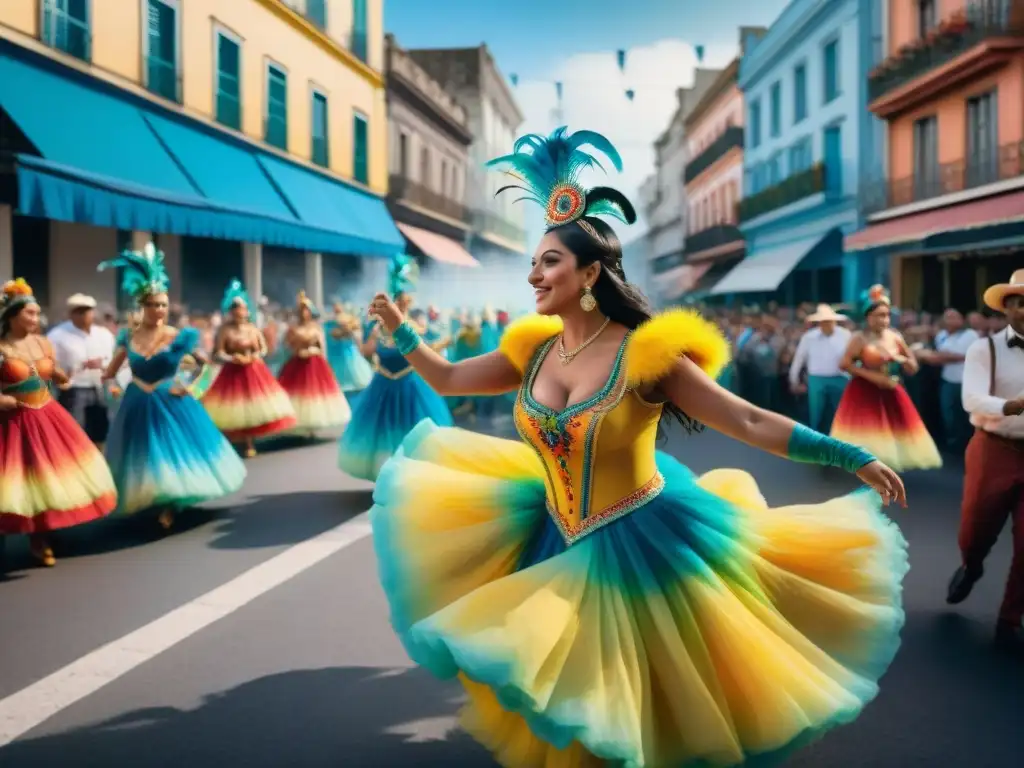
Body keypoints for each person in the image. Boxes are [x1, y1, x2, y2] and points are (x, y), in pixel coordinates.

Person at [366, 127, 909, 768]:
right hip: (546, 532)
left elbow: (751, 421)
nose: (534, 273)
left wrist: (851, 456)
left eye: (550, 262)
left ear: (591, 272)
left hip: (642, 540)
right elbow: (451, 379)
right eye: (535, 261)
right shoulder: (533, 349)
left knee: (646, 698)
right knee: (570, 697)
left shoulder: (648, 355)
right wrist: (402, 333)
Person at [98, 245, 247, 530]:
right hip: (138, 400)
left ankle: (168, 504)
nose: (160, 310)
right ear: (143, 307)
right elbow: (112, 372)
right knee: (142, 452)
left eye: (164, 305)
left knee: (170, 450)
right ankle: (151, 498)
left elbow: (203, 363)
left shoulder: (179, 336)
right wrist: (111, 386)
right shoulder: (127, 336)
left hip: (171, 398)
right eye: (154, 305)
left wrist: (186, 385)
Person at [0, 278, 117, 566]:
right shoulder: (1, 348)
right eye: (29, 313)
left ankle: (42, 533)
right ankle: (26, 535)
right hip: (13, 421)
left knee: (48, 477)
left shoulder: (43, 342)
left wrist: (64, 376)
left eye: (37, 313)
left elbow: (54, 372)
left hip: (47, 414)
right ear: (12, 316)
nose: (36, 318)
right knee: (17, 481)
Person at [947, 270, 1024, 654]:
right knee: (975, 527)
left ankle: (1010, 618)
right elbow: (972, 400)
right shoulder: (984, 349)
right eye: (1021, 302)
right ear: (1007, 308)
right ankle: (972, 564)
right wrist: (1012, 405)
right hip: (993, 446)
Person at [337, 255, 452, 481]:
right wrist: (356, 336)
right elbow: (367, 351)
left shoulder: (414, 327)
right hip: (383, 384)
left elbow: (427, 351)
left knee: (412, 431)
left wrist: (442, 345)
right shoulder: (378, 328)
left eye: (405, 299)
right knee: (381, 435)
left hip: (411, 385)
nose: (402, 302)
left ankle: (409, 474)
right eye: (398, 298)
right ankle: (388, 476)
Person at [831, 285, 942, 472]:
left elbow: (912, 367)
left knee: (893, 430)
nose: (884, 319)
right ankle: (868, 470)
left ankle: (885, 471)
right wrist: (872, 376)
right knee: (868, 431)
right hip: (864, 391)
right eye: (879, 315)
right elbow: (844, 364)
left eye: (886, 315)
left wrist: (903, 361)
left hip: (891, 387)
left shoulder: (895, 336)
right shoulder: (859, 338)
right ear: (868, 317)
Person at [202, 280, 296, 457]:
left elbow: (263, 348)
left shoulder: (253, 329)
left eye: (242, 308)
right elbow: (218, 352)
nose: (239, 312)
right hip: (233, 372)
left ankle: (250, 440)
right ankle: (237, 440)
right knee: (233, 407)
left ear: (247, 311)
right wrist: (232, 358)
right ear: (231, 311)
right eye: (235, 308)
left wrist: (255, 356)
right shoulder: (225, 330)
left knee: (254, 405)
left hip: (253, 370)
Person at [277, 291, 351, 436]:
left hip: (314, 364)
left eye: (306, 310)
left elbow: (322, 347)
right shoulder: (293, 329)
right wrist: (296, 351)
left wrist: (316, 354)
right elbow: (286, 347)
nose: (304, 313)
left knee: (314, 393)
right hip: (297, 364)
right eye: (301, 310)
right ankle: (299, 424)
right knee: (298, 394)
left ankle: (312, 427)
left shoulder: (316, 328)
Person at [47, 293, 117, 445]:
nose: (84, 315)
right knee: (74, 433)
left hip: (99, 387)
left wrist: (102, 364)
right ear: (71, 314)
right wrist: (76, 367)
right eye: (79, 311)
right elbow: (51, 365)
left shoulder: (104, 334)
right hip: (74, 389)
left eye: (87, 310)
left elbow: (114, 360)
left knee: (100, 432)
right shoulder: (57, 335)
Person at [789, 304, 851, 433]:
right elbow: (799, 358)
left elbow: (853, 356)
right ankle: (815, 440)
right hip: (816, 379)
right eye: (823, 322)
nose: (826, 325)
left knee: (841, 413)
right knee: (816, 413)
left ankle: (841, 440)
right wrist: (794, 380)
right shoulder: (809, 337)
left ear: (834, 321)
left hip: (840, 377)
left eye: (828, 321)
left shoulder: (845, 335)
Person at [323, 301, 373, 393]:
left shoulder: (349, 321)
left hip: (348, 353)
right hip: (338, 355)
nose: (337, 309)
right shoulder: (329, 324)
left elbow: (357, 337)